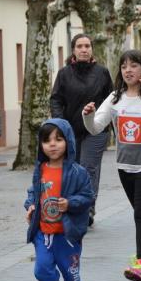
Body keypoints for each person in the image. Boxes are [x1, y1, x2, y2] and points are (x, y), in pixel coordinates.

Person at [83, 49, 141, 281]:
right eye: (124, 67)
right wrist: (88, 116)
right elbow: (95, 127)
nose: (128, 70)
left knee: (140, 212)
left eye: (134, 66)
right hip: (124, 165)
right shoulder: (114, 98)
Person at [24, 119, 94, 281]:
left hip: (67, 234)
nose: (52, 144)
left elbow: (88, 196)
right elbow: (32, 194)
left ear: (69, 141)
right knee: (42, 270)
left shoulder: (77, 172)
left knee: (70, 273)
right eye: (46, 141)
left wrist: (70, 203)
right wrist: (30, 207)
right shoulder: (40, 170)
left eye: (58, 139)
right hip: (43, 232)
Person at [50, 34, 114, 227]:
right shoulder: (64, 74)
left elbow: (112, 98)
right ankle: (73, 206)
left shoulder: (102, 73)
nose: (84, 49)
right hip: (70, 131)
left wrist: (107, 121)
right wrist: (60, 121)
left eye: (87, 46)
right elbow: (56, 99)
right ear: (74, 50)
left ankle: (87, 208)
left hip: (96, 130)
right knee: (73, 169)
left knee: (88, 169)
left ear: (92, 49)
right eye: (80, 46)